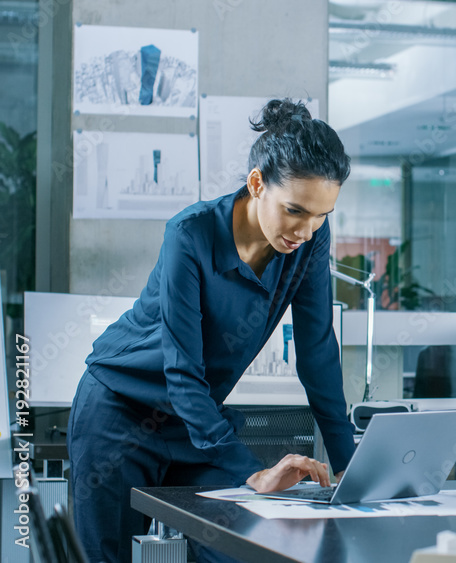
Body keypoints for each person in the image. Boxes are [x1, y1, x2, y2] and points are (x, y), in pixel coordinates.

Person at [67, 99, 356, 563]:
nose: (307, 229)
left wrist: (349, 467)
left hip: (195, 425)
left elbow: (318, 350)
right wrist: (251, 472)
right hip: (119, 412)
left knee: (239, 549)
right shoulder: (190, 234)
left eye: (323, 214)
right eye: (296, 210)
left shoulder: (309, 240)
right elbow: (182, 371)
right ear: (257, 183)